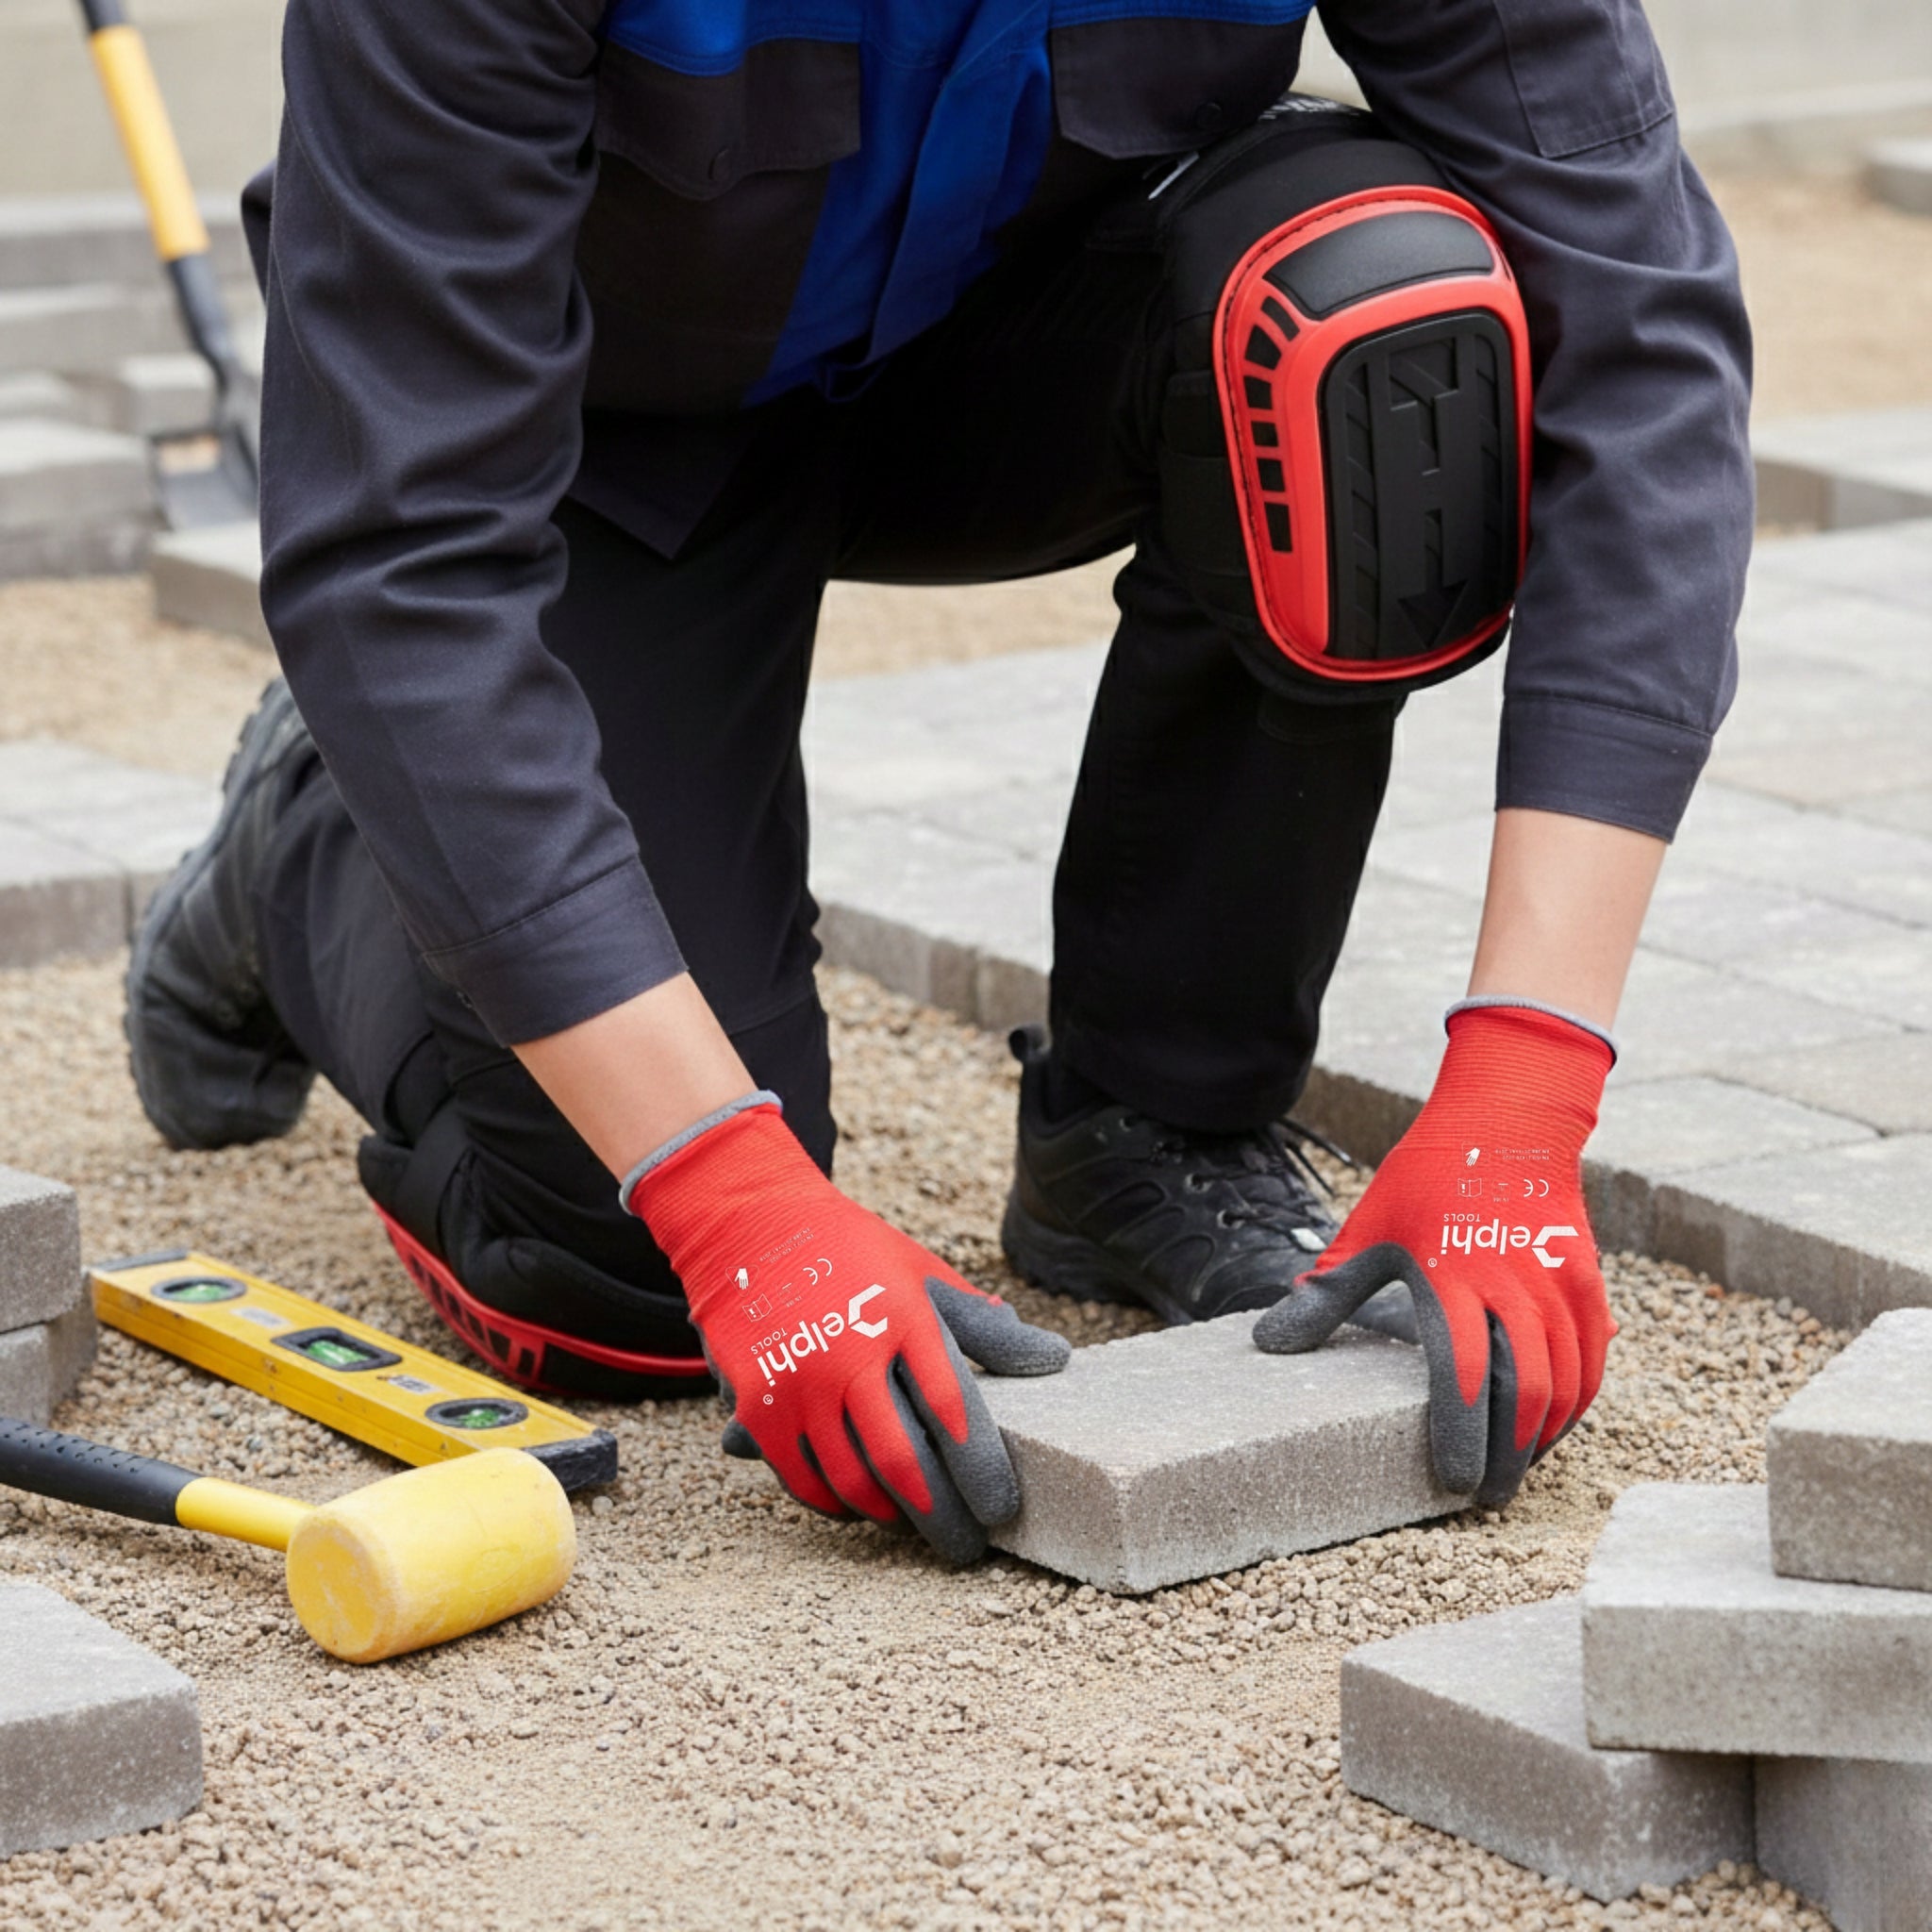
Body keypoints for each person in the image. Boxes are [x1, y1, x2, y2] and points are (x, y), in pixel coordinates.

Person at [125, 0, 1751, 1561]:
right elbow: (402, 558)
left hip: (1022, 348)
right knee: (625, 1272)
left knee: (1370, 294)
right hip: (603, 421)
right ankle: (313, 832)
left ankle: (1159, 1119)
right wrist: (728, 1197)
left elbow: (1640, 340)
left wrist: (1524, 1094)